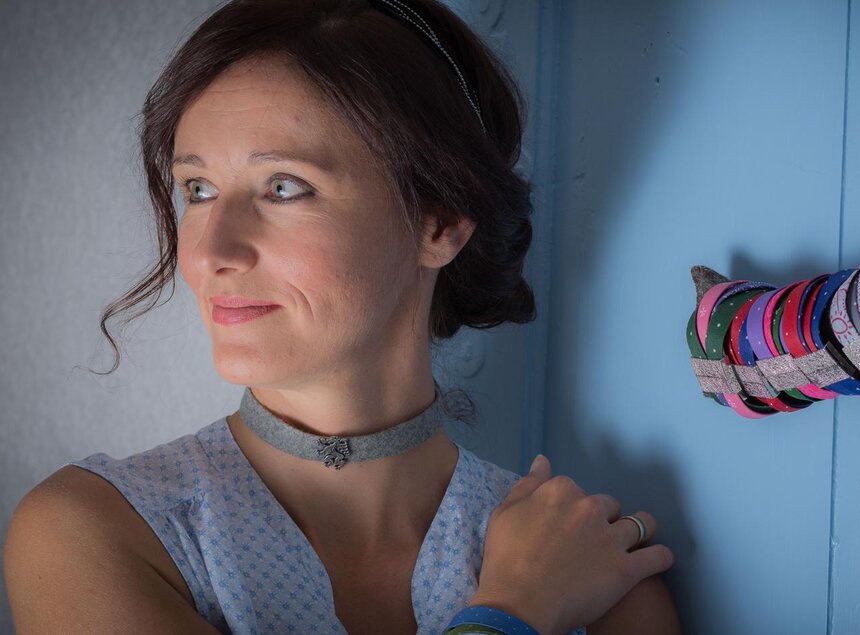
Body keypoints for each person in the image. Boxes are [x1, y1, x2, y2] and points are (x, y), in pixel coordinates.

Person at [2, 0, 680, 633]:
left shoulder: (598, 565)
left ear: (439, 221)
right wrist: (515, 611)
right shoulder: (91, 530)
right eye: (198, 189)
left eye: (283, 186)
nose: (211, 251)